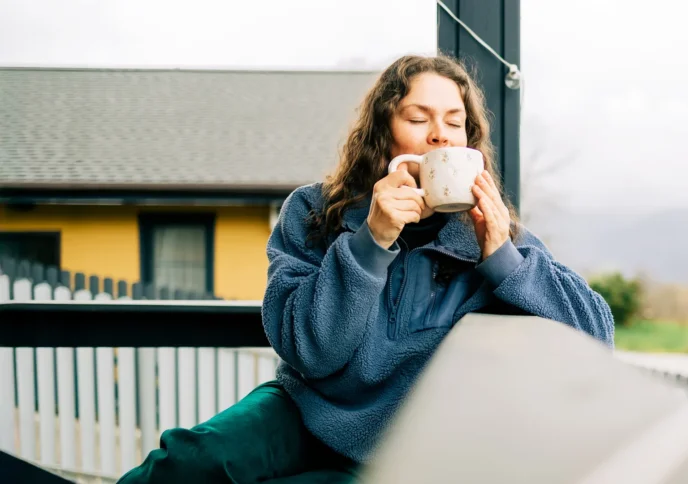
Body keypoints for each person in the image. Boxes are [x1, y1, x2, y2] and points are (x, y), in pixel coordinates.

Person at [118, 54, 615, 484]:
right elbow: (310, 349)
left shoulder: (493, 236)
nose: (440, 135)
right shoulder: (314, 212)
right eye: (418, 118)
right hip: (305, 409)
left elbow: (596, 335)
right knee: (193, 460)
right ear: (384, 131)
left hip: (411, 449)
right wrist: (372, 240)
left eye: (454, 121)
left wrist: (502, 256)